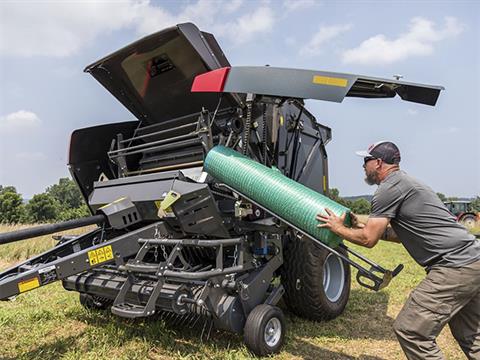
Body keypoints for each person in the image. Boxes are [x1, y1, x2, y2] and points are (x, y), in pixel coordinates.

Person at [316, 141, 480, 360]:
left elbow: (368, 240)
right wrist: (358, 224)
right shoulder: (406, 183)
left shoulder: (388, 189)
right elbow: (396, 234)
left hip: (453, 266)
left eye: (366, 161)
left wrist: (338, 228)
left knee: (411, 330)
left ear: (379, 163)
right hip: (472, 261)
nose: (363, 166)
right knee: (471, 335)